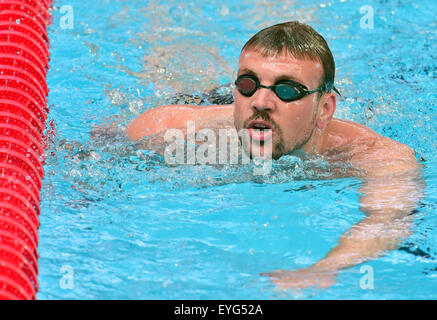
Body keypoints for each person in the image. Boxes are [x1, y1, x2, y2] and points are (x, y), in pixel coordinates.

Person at [126, 21, 424, 290]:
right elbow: (114, 141)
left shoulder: (370, 155)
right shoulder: (185, 131)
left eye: (287, 89)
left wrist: (325, 268)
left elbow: (388, 218)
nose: (261, 102)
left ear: (325, 109)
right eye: (247, 84)